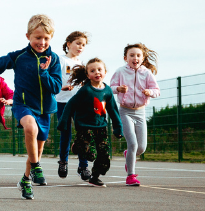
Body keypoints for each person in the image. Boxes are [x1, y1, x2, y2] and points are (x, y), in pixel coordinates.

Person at [0, 14, 62, 200]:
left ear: (51, 38)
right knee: (30, 127)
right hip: (24, 105)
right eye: (37, 37)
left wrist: (44, 73)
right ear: (28, 36)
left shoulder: (53, 59)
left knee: (35, 150)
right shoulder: (18, 57)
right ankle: (37, 167)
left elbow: (56, 87)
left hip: (45, 110)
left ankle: (26, 180)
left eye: (46, 38)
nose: (42, 42)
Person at [56, 58, 123, 187]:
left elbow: (113, 110)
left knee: (105, 156)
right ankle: (79, 145)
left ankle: (94, 177)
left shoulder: (108, 91)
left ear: (105, 72)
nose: (97, 72)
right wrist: (63, 122)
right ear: (88, 75)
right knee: (91, 154)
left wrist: (118, 128)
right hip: (85, 127)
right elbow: (71, 104)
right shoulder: (85, 90)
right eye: (92, 71)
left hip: (101, 127)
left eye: (99, 70)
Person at [110, 43, 160, 187]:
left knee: (141, 148)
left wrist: (149, 92)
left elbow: (157, 90)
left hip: (140, 112)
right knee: (132, 143)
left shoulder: (147, 73)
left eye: (138, 55)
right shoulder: (120, 71)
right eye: (131, 55)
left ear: (142, 58)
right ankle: (130, 176)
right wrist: (118, 89)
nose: (135, 58)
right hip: (125, 111)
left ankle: (128, 155)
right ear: (126, 58)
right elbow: (110, 88)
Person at [56, 31, 89, 180]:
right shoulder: (61, 60)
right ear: (69, 44)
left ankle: (83, 166)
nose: (80, 47)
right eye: (78, 43)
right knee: (66, 133)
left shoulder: (82, 64)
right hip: (62, 102)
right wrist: (62, 87)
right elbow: (53, 79)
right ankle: (63, 161)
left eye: (83, 45)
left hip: (79, 103)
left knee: (82, 134)